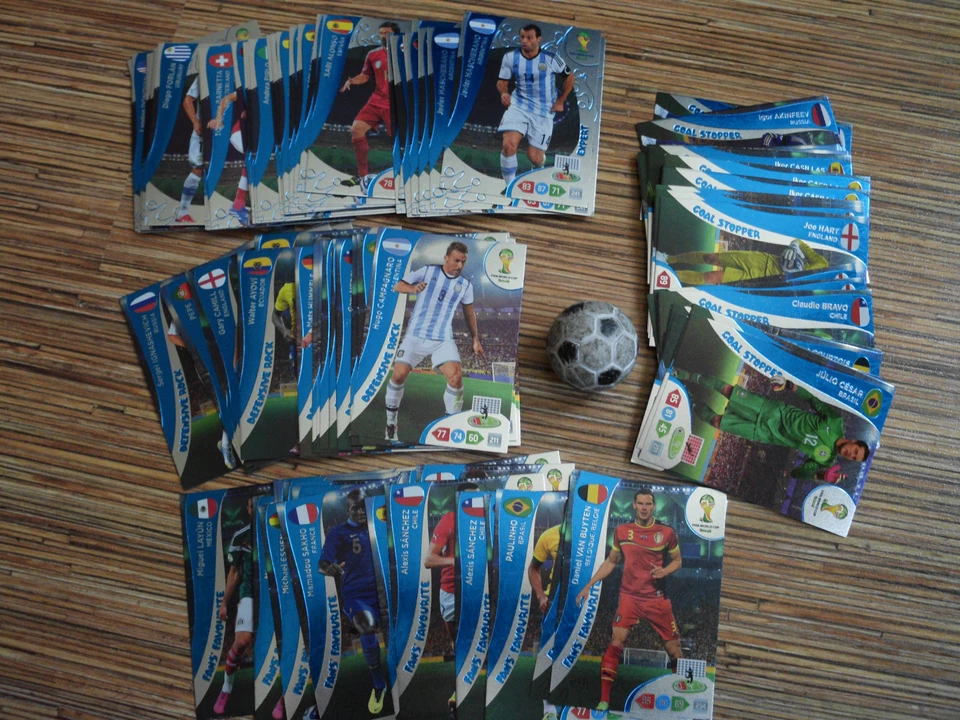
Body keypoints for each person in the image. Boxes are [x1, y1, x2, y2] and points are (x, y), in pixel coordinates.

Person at [575, 490, 683, 713]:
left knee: (675, 652)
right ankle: (604, 700)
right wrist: (588, 585)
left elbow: (677, 561)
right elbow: (611, 561)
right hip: (629, 597)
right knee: (616, 642)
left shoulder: (667, 532)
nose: (644, 507)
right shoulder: (622, 531)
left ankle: (685, 696)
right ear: (634, 505)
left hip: (656, 599)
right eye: (640, 503)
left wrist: (665, 571)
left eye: (648, 504)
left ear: (654, 506)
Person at [675, 369, 870, 479]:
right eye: (855, 451)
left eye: (854, 458)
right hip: (772, 411)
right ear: (854, 441)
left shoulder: (826, 461)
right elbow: (813, 400)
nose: (850, 454)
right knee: (728, 391)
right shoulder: (835, 421)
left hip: (765, 434)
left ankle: (689, 400)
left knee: (717, 422)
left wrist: (820, 476)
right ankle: (685, 374)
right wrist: (789, 385)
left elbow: (797, 473)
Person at [384, 241, 486, 442]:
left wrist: (475, 338)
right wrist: (413, 288)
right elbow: (397, 285)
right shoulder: (428, 271)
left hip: (443, 338)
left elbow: (469, 313)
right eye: (456, 260)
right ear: (446, 258)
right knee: (398, 376)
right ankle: (391, 425)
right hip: (415, 335)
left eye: (463, 262)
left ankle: (450, 425)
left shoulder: (465, 285)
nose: (459, 265)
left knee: (456, 377)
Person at [318, 489, 388, 714]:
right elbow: (322, 564)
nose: (361, 511)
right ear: (348, 510)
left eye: (364, 506)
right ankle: (378, 685)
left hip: (385, 590)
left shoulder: (379, 524)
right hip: (357, 595)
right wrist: (329, 567)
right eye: (356, 508)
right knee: (366, 627)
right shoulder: (338, 532)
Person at [424, 482, 479, 715]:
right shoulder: (449, 520)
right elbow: (429, 560)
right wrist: (456, 561)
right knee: (457, 641)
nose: (474, 503)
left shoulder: (485, 519)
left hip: (476, 589)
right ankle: (460, 684)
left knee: (474, 638)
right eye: (469, 499)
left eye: (477, 499)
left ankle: (466, 687)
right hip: (450, 592)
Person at [497, 24, 575, 186]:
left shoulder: (550, 59)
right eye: (522, 37)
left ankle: (539, 164)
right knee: (508, 145)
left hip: (544, 111)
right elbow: (502, 82)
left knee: (534, 157)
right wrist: (504, 92)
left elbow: (570, 76)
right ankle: (510, 187)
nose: (524, 41)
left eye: (529, 37)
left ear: (539, 39)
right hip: (519, 105)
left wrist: (561, 100)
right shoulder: (510, 57)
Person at [339, 22, 401, 193]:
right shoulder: (373, 55)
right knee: (356, 129)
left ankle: (405, 175)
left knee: (399, 140)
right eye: (381, 33)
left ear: (395, 34)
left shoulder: (405, 52)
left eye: (386, 33)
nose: (383, 36)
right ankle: (363, 176)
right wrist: (352, 81)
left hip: (395, 104)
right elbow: (365, 76)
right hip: (376, 101)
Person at [214, 497, 255, 715]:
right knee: (241, 643)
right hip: (248, 593)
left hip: (274, 593)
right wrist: (224, 603)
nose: (255, 507)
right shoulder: (241, 536)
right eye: (251, 504)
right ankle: (226, 688)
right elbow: (234, 572)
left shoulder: (275, 530)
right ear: (248, 509)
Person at [655, 239, 828, 286]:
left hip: (761, 278)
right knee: (711, 258)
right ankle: (668, 259)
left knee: (710, 277)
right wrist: (794, 247)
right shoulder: (822, 264)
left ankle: (665, 274)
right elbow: (799, 242)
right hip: (762, 260)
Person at [528, 524, 561, 720]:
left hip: (578, 603)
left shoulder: (591, 535)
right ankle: (549, 710)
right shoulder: (550, 535)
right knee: (548, 653)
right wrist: (541, 595)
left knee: (568, 656)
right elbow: (533, 568)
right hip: (554, 604)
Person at [207, 90, 251, 226]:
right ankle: (238, 204)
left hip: (249, 135)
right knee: (252, 161)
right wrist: (218, 119)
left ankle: (238, 205)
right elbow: (225, 99)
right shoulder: (246, 89)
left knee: (249, 165)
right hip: (239, 133)